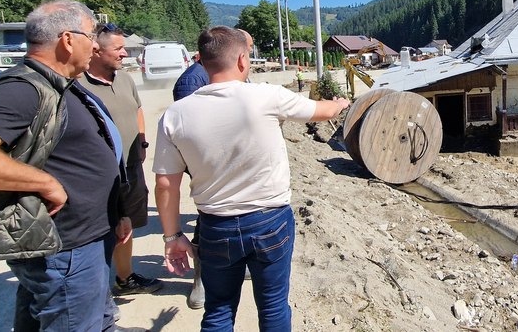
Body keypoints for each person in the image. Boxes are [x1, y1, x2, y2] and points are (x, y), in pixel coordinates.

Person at [0, 0, 123, 331]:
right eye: (91, 34)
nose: (96, 44)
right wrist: (44, 183)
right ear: (68, 40)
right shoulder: (22, 88)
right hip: (63, 248)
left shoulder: (57, 83)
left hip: (75, 242)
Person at [154, 26, 350, 330]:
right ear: (243, 60)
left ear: (201, 62)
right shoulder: (266, 96)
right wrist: (339, 104)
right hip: (269, 222)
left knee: (218, 309)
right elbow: (320, 112)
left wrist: (172, 237)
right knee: (272, 307)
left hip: (215, 226)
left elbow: (166, 183)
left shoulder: (175, 115)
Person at [170, 29, 253, 310]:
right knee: (208, 220)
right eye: (248, 50)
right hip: (215, 168)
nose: (249, 57)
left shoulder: (233, 77)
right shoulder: (192, 81)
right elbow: (195, 129)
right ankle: (201, 281)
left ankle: (236, 263)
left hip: (238, 166)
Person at [78, 22, 163, 296]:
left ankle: (124, 279)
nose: (125, 53)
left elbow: (137, 108)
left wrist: (141, 141)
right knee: (101, 226)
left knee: (127, 223)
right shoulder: (77, 84)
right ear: (96, 51)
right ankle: (94, 289)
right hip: (99, 173)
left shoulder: (124, 78)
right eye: (118, 48)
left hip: (130, 166)